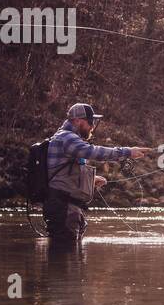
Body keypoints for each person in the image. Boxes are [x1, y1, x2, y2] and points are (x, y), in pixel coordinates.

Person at [43, 103, 152, 249]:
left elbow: (63, 171)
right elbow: (94, 152)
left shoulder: (64, 137)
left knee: (71, 261)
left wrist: (91, 180)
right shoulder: (67, 138)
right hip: (64, 208)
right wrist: (127, 152)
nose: (92, 126)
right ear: (78, 121)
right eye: (90, 122)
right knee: (65, 261)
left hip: (67, 207)